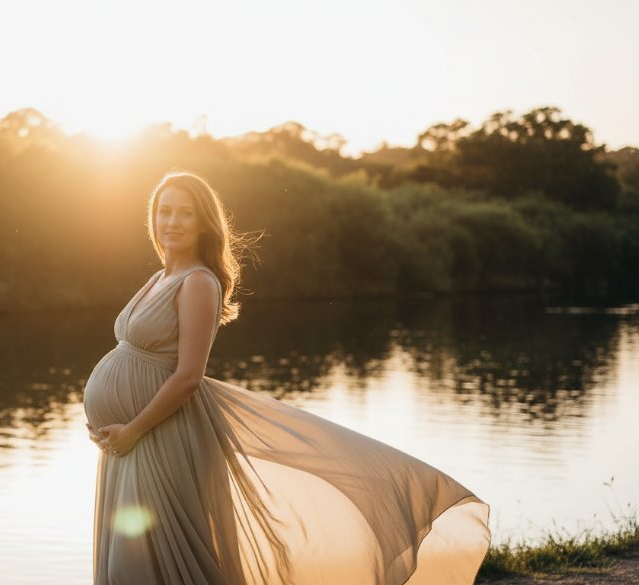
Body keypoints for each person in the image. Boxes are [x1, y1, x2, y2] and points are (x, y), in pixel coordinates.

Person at [82, 169, 491, 585]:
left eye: (184, 213)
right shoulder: (160, 278)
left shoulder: (199, 283)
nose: (171, 222)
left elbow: (189, 375)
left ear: (204, 223)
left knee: (141, 565)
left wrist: (133, 428)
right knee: (131, 561)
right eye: (164, 211)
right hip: (128, 443)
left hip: (158, 439)